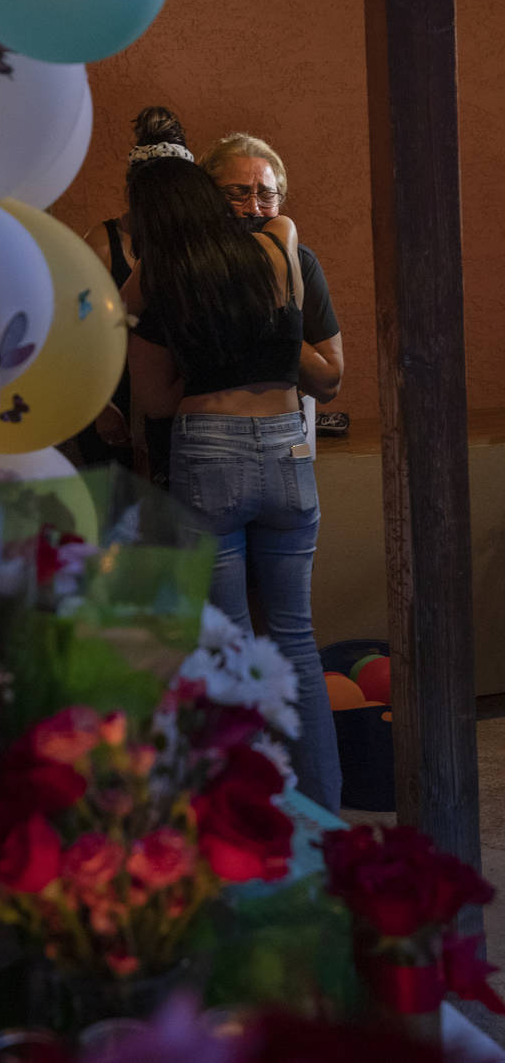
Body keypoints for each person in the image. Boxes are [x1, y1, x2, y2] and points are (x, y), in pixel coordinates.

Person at [123, 155, 342, 812]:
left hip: (209, 448)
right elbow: (299, 348)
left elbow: (156, 401)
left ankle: (256, 816)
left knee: (230, 645)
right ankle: (325, 809)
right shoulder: (280, 246)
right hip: (285, 445)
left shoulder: (159, 282)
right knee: (296, 639)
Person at [75, 106, 192, 477]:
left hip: (180, 403)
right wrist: (98, 408)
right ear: (132, 190)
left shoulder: (194, 244)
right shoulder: (101, 244)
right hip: (116, 405)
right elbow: (75, 331)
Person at [198, 133, 345, 422]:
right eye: (236, 194)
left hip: (283, 434)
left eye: (266, 195)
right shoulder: (187, 264)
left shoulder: (301, 263)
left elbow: (329, 382)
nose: (253, 208)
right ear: (206, 197)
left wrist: (262, 306)